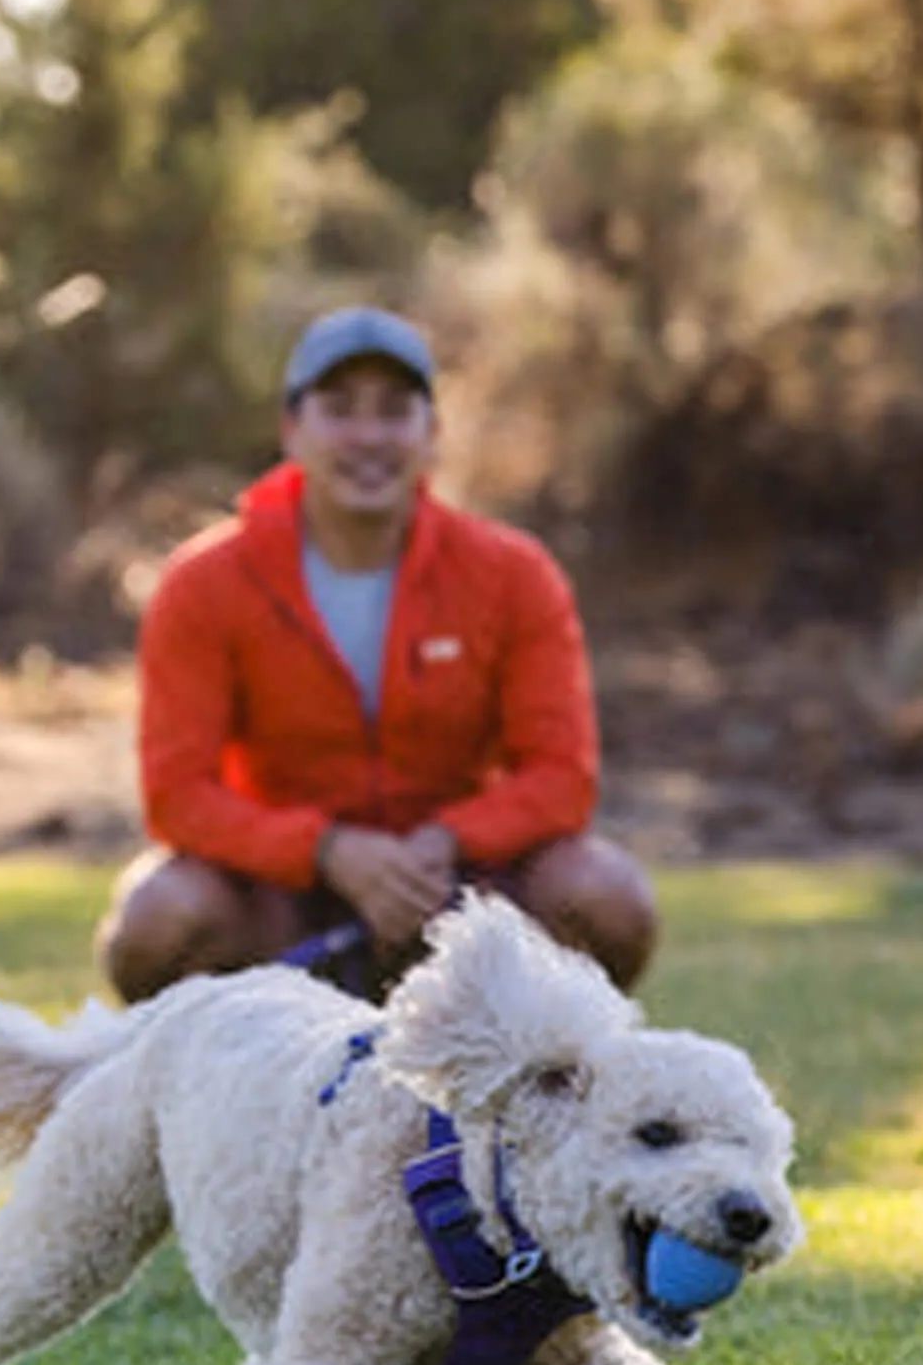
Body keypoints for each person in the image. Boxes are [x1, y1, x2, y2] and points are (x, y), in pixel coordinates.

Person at [97, 303, 656, 1004]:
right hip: (279, 897)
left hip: (453, 888)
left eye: (394, 411)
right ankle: (201, 1092)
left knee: (606, 894)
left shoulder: (515, 574)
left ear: (431, 435)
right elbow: (179, 797)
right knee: (159, 917)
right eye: (339, 409)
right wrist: (328, 852)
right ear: (291, 429)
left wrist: (443, 844)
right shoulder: (203, 584)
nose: (369, 436)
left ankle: (549, 1093)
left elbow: (561, 778)